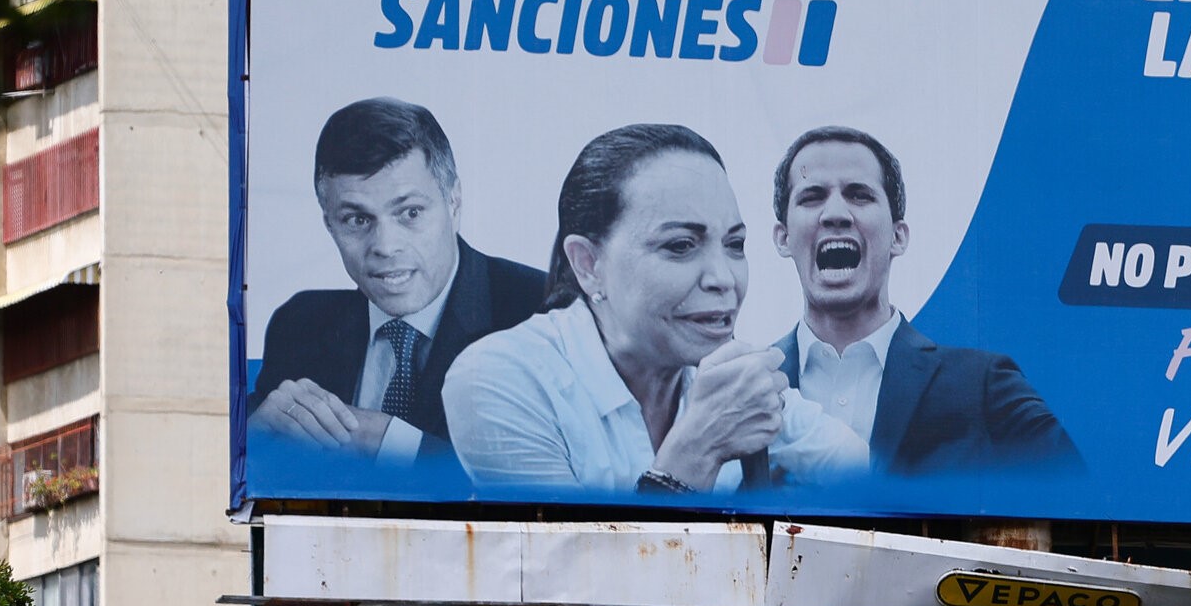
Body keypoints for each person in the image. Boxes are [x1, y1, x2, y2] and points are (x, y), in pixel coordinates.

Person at [442, 124, 867, 493]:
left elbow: (856, 471)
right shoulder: (497, 377)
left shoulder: (727, 378)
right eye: (681, 245)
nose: (723, 278)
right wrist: (698, 447)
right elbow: (571, 576)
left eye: (735, 245)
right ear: (589, 265)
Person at [766, 126, 1081, 476]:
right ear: (783, 238)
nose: (835, 213)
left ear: (898, 237)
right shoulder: (745, 386)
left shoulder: (982, 386)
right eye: (812, 196)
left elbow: (1081, 488)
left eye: (859, 195)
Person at [249, 98, 544, 469]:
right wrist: (253, 444)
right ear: (329, 224)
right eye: (357, 220)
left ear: (454, 203)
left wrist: (393, 443)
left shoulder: (543, 314)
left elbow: (564, 482)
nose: (385, 247)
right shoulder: (299, 324)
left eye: (410, 213)